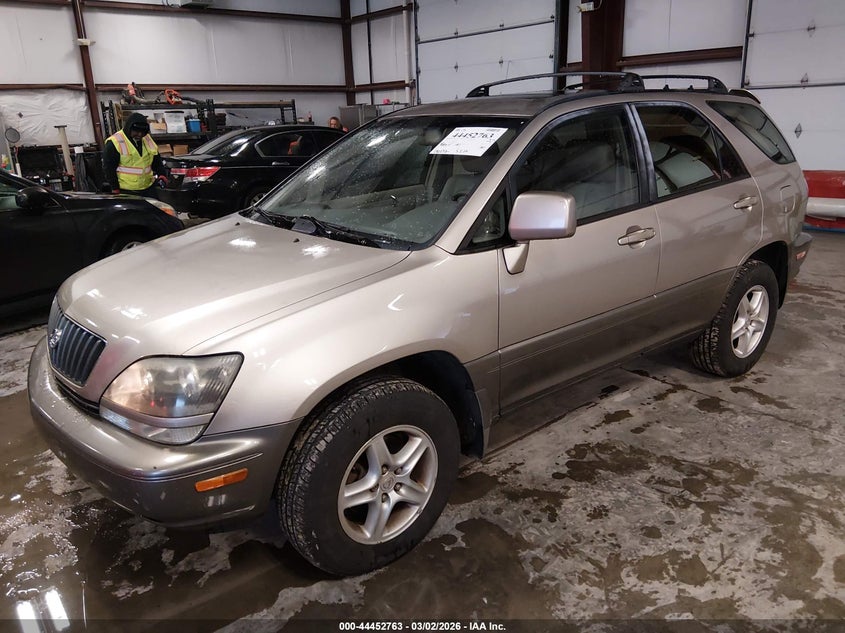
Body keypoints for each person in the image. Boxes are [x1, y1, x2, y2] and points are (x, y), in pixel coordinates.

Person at [103, 112, 168, 197]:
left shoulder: (147, 139)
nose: (140, 135)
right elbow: (109, 169)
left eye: (142, 132)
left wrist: (162, 175)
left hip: (148, 188)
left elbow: (157, 160)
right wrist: (115, 189)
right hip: (126, 191)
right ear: (129, 128)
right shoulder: (114, 142)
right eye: (136, 131)